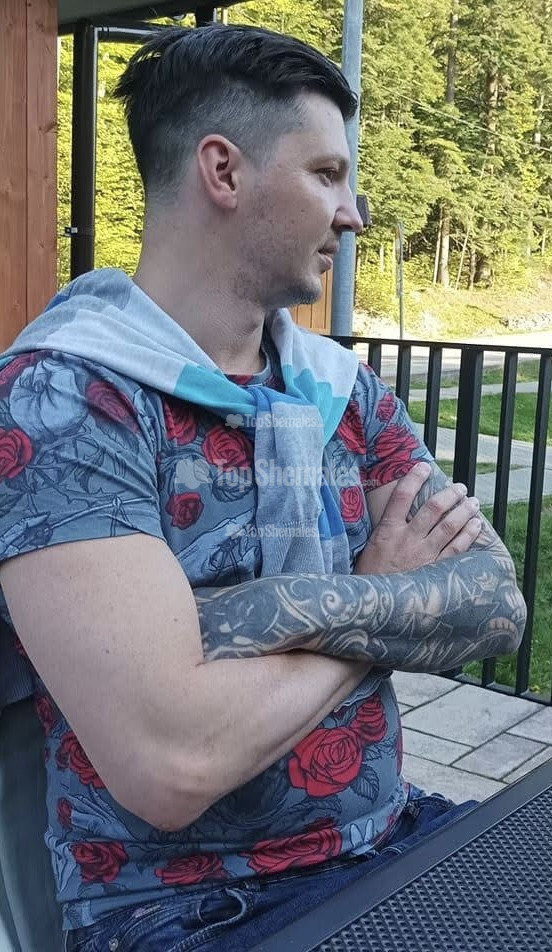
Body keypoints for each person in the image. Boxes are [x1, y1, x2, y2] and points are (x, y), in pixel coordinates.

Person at [0, 23, 525, 952]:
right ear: (224, 172)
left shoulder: (338, 390)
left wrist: (256, 619)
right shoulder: (66, 401)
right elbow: (171, 761)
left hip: (392, 836)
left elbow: (495, 604)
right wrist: (381, 597)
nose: (354, 214)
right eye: (327, 175)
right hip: (187, 911)